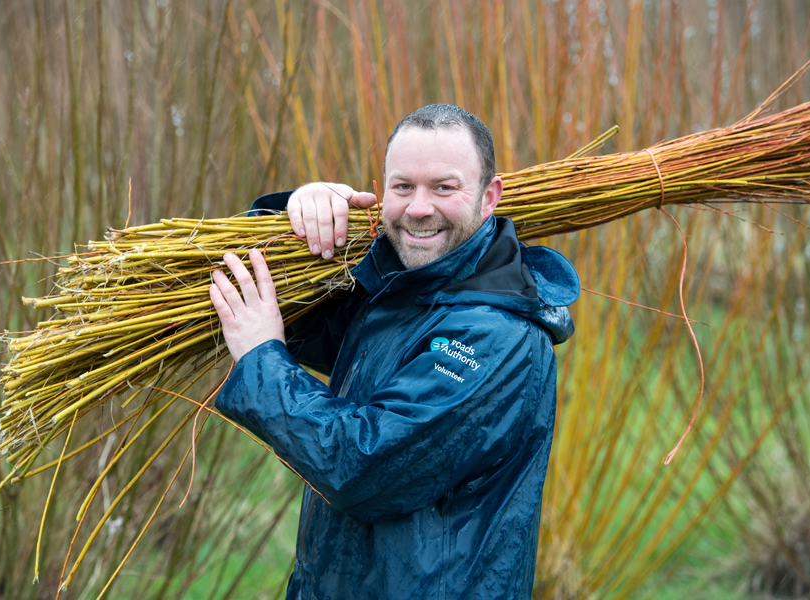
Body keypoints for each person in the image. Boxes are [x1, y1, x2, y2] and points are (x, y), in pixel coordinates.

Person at [209, 104, 580, 599]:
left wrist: (261, 359)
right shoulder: (400, 291)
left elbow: (363, 467)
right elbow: (288, 314)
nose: (418, 208)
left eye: (444, 188)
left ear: (489, 197)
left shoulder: (495, 337)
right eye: (403, 187)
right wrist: (296, 214)